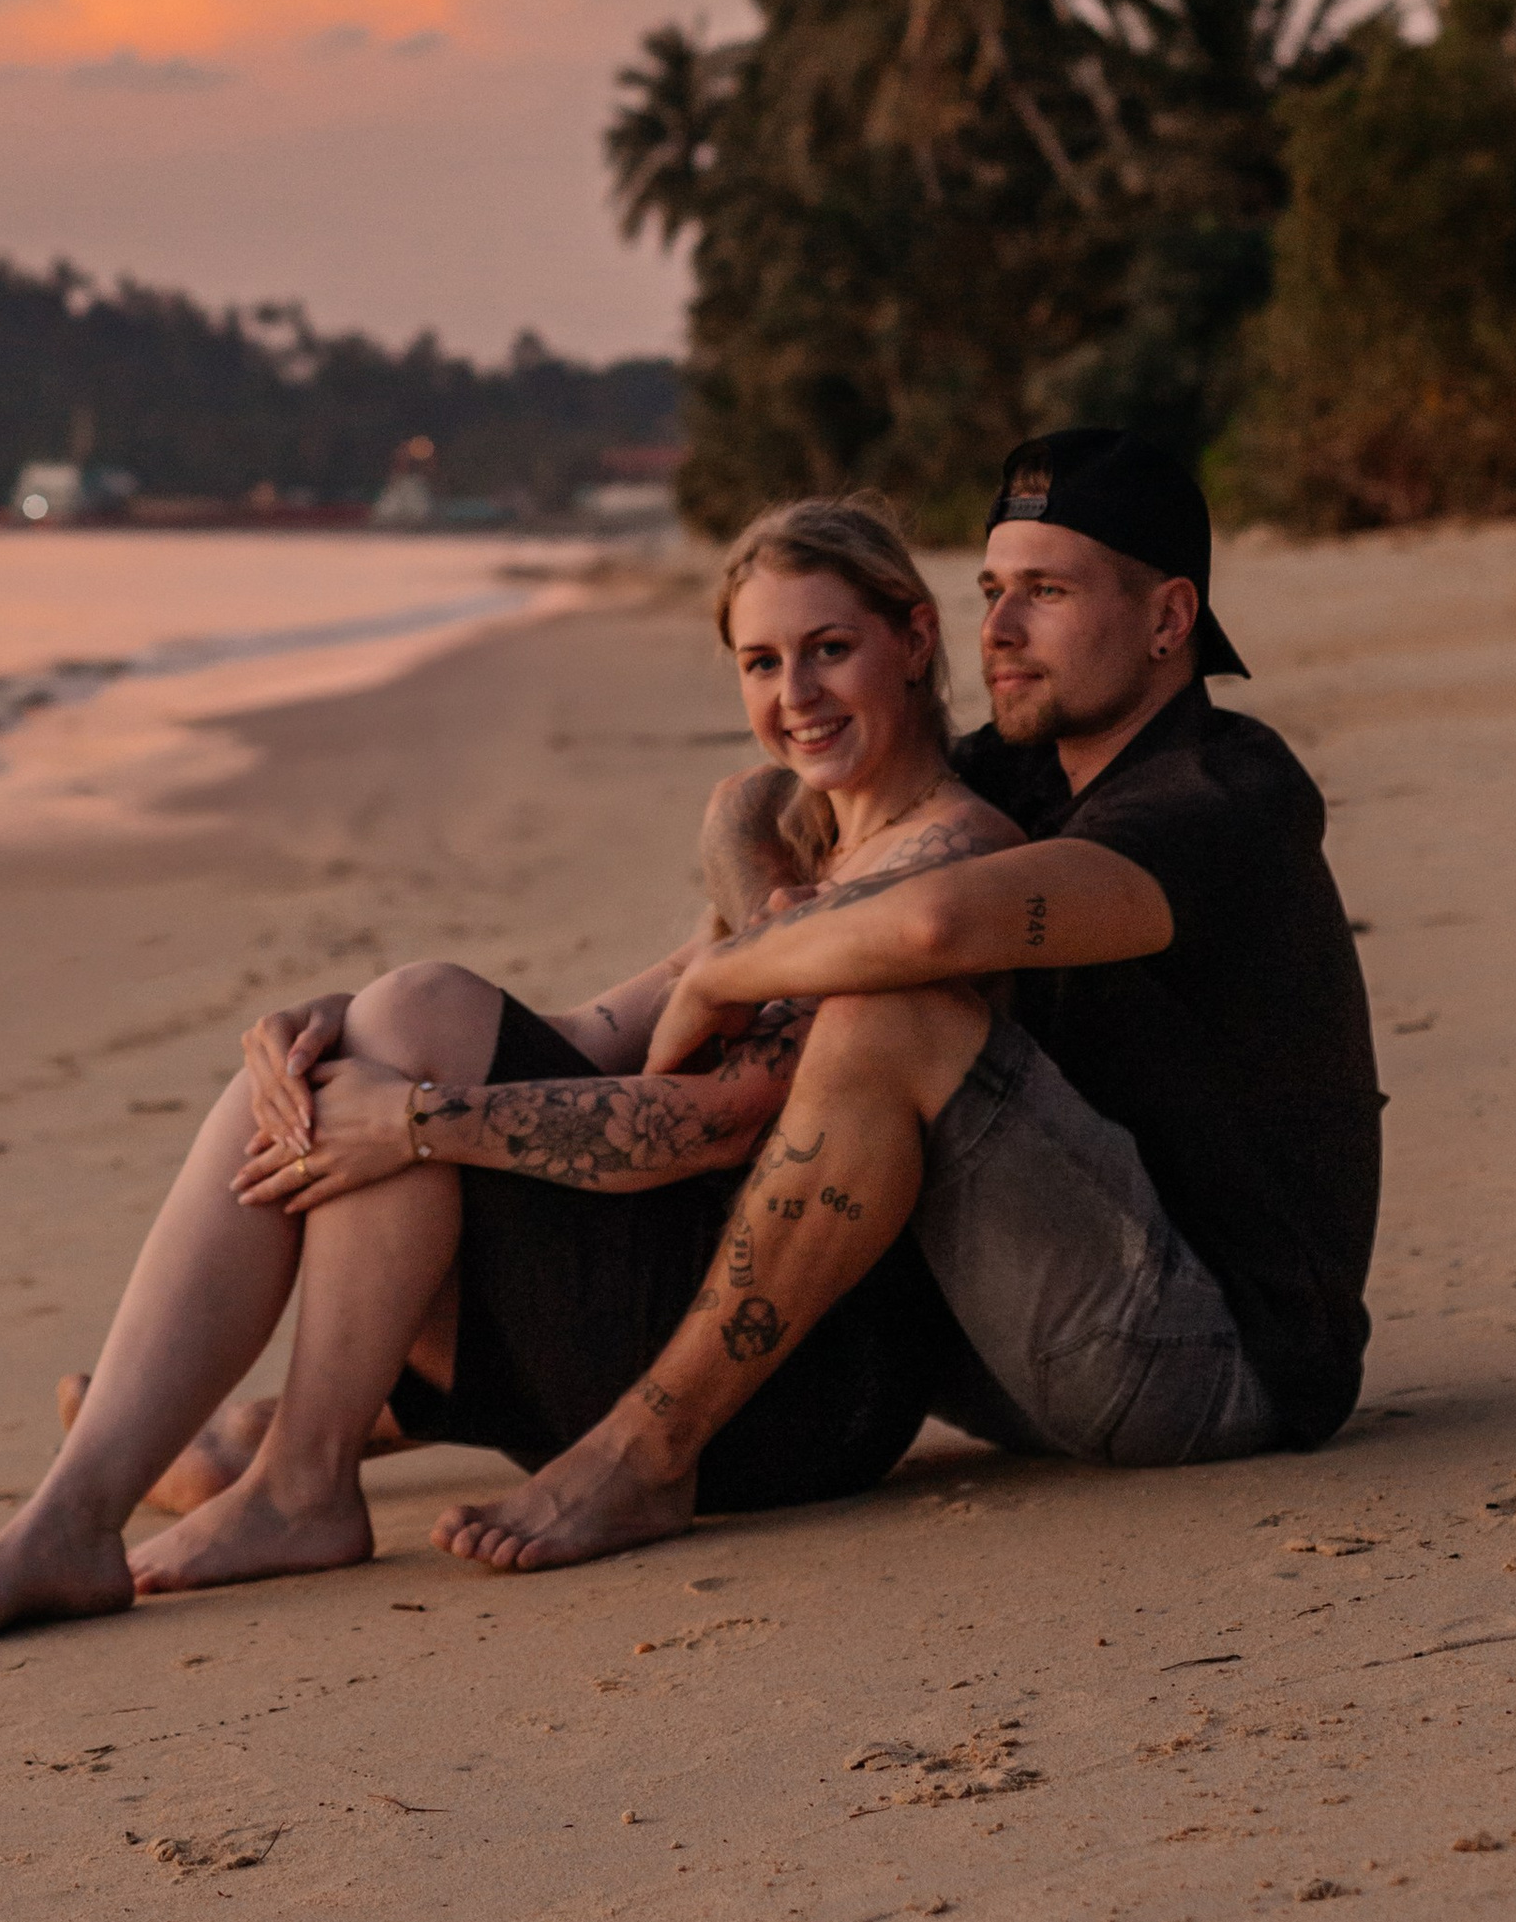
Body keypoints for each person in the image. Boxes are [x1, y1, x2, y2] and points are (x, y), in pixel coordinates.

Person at [0, 496, 1004, 1646]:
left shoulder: (952, 858)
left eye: (829, 650)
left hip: (788, 1398)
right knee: (349, 1042)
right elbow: (592, 1031)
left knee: (412, 1034)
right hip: (652, 1312)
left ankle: (293, 1483)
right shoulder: (812, 849)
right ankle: (80, 1513)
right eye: (761, 662)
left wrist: (418, 1119)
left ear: (913, 638)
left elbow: (719, 1121)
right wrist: (327, 1032)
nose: (793, 695)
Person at [293, 427, 1381, 1573]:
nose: (1000, 631)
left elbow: (930, 925)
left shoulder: (1220, 794)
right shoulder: (1024, 768)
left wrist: (726, 970)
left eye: (1047, 593)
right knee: (820, 1015)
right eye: (993, 591)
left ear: (1168, 620)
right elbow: (765, 801)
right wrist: (767, 905)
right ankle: (365, 1415)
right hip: (1002, 1325)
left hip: (1201, 1358)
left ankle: (645, 1452)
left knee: (884, 1013)